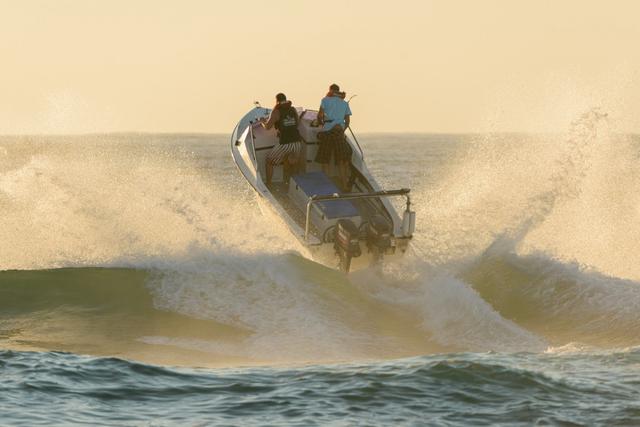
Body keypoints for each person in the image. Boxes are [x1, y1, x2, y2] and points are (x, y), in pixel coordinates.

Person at [260, 93, 303, 185]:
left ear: (277, 101)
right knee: (290, 161)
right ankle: (290, 184)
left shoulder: (276, 111)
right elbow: (298, 123)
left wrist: (262, 121)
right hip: (297, 142)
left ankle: (269, 185)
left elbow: (268, 126)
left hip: (286, 143)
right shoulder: (293, 109)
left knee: (269, 161)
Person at [315, 83, 352, 191]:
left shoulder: (325, 100)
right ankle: (344, 186)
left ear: (330, 91)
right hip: (339, 132)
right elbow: (348, 121)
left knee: (325, 160)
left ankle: (327, 187)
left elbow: (320, 116)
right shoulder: (344, 103)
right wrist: (341, 130)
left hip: (327, 132)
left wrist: (322, 123)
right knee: (341, 161)